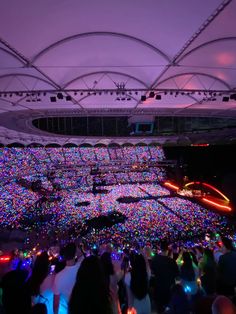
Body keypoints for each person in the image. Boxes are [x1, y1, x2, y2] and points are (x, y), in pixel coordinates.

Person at [53, 243, 82, 314]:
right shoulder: (81, 268)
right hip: (81, 306)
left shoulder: (58, 277)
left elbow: (56, 304)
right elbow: (81, 254)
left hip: (67, 309)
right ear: (75, 253)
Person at [151, 241, 179, 313]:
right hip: (169, 288)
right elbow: (177, 274)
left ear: (160, 248)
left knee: (160, 309)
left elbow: (152, 272)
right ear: (167, 249)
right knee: (169, 308)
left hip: (158, 287)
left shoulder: (155, 259)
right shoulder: (172, 261)